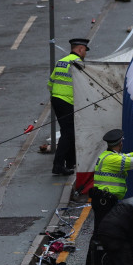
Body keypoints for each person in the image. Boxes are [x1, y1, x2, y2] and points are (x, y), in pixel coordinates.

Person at [89, 128, 133, 230]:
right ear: (120, 143)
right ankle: (99, 246)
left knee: (104, 228)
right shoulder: (113, 159)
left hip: (105, 199)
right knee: (103, 229)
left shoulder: (108, 155)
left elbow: (129, 156)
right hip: (105, 201)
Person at [48, 38, 89, 176]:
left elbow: (50, 83)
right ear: (80, 49)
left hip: (56, 99)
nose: (85, 54)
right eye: (85, 51)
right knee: (68, 133)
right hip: (68, 102)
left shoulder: (61, 61)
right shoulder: (77, 63)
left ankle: (70, 162)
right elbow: (84, 85)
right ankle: (58, 165)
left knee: (70, 131)